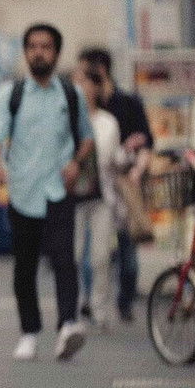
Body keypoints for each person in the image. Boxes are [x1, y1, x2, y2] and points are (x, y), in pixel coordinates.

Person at [0, 23, 94, 363]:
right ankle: (29, 332)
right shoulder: (10, 94)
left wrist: (76, 162)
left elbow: (86, 136)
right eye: (32, 46)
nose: (39, 52)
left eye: (46, 46)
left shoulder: (70, 93)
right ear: (25, 52)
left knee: (64, 257)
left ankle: (67, 325)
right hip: (22, 189)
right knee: (26, 265)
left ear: (57, 53)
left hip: (59, 189)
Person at [77, 47, 153, 322]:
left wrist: (135, 168)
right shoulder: (79, 112)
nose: (80, 83)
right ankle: (91, 300)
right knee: (89, 253)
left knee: (126, 248)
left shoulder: (125, 105)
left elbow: (146, 141)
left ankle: (123, 301)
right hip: (85, 192)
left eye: (84, 75)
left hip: (119, 187)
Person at [72, 68, 124, 330]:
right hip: (71, 196)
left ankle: (99, 307)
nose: (79, 87)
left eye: (84, 82)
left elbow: (113, 160)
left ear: (95, 88)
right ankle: (76, 304)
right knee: (74, 254)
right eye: (75, 82)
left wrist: (127, 157)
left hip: (101, 195)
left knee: (100, 256)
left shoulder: (108, 122)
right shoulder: (65, 120)